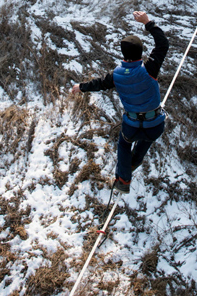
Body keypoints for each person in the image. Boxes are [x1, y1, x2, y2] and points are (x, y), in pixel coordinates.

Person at [71, 11, 169, 194]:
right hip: (155, 124)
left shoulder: (115, 76)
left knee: (124, 144)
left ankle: (123, 180)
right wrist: (147, 22)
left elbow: (98, 84)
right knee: (148, 137)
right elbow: (163, 44)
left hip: (131, 125)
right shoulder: (149, 69)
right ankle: (135, 161)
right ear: (141, 53)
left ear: (123, 54)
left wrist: (81, 87)